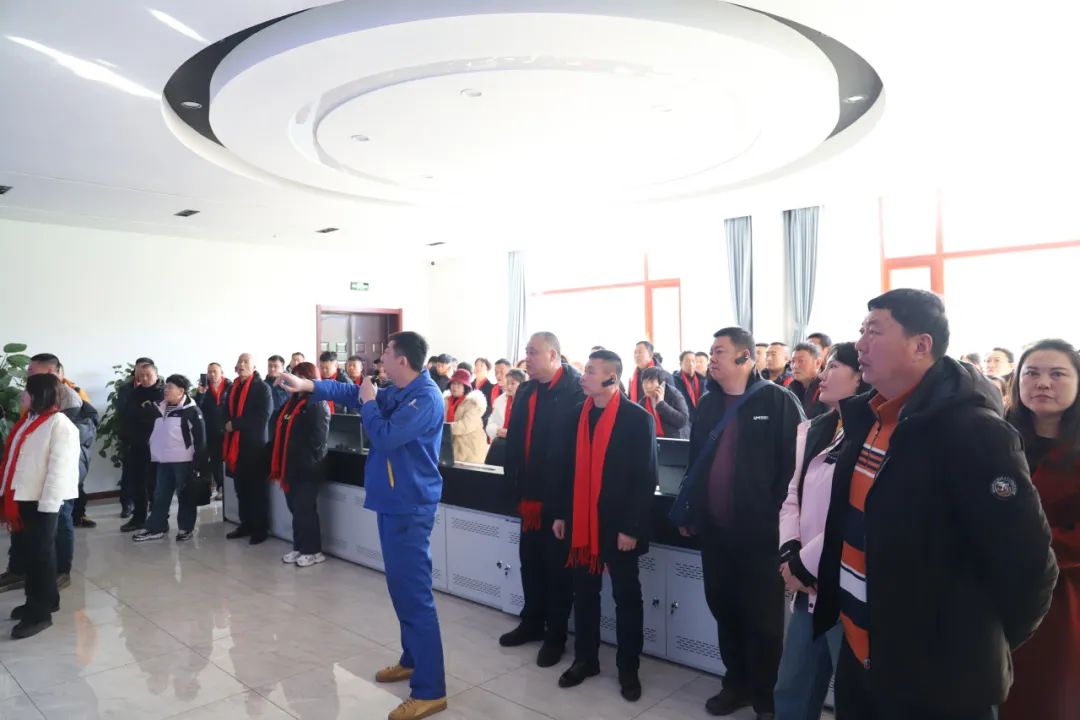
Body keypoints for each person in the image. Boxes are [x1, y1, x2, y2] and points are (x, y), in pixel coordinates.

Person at [814, 289, 1057, 719]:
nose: (860, 344)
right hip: (861, 654)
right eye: (861, 331)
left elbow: (1029, 565)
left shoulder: (973, 432)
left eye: (875, 331)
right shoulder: (869, 418)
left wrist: (977, 643)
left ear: (921, 345)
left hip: (938, 678)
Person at [279, 331, 449, 720]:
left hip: (409, 507)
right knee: (401, 590)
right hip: (393, 502)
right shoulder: (401, 391)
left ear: (402, 360)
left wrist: (370, 402)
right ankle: (412, 659)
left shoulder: (425, 397)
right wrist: (308, 385)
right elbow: (350, 392)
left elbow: (384, 436)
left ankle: (431, 691)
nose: (380, 359)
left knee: (415, 596)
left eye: (386, 353)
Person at [679, 327, 804, 719]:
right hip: (716, 534)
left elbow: (795, 469)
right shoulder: (708, 403)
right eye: (711, 350)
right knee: (725, 609)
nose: (711, 357)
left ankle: (766, 696)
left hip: (762, 538)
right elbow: (696, 461)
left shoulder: (777, 401)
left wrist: (779, 524)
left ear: (745, 356)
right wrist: (692, 512)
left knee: (764, 621)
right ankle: (735, 685)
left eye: (719, 351)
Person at [551, 350, 658, 701]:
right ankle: (586, 660)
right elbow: (565, 470)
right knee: (584, 594)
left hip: (618, 526)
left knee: (627, 599)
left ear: (612, 378)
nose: (583, 376)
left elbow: (645, 479)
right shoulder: (576, 416)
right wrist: (561, 514)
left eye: (592, 371)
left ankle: (629, 669)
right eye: (585, 369)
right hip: (582, 524)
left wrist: (631, 528)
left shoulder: (636, 419)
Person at [774, 343, 868, 720]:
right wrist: (789, 551)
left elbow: (856, 514)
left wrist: (805, 563)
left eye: (834, 367)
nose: (823, 375)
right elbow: (792, 494)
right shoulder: (816, 428)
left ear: (860, 377)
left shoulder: (873, 434)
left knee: (853, 695)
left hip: (844, 583)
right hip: (807, 584)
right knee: (792, 686)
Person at [1000, 339, 1080, 720]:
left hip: (1061, 596)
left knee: (1046, 698)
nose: (1043, 383)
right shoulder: (997, 440)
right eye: (1031, 373)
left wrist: (1026, 550)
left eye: (1057, 374)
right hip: (990, 594)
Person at [500, 332, 584, 668]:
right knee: (530, 563)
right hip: (529, 497)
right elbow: (515, 441)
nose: (527, 358)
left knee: (558, 572)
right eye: (526, 351)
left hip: (560, 500)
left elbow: (576, 453)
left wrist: (564, 507)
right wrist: (512, 486)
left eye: (533, 352)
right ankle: (532, 622)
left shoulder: (576, 390)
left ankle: (556, 636)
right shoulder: (527, 390)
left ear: (553, 355)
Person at [0, 373, 79, 638]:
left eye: (27, 390)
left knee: (40, 557)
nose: (22, 395)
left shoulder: (60, 424)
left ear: (39, 394)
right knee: (33, 555)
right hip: (23, 498)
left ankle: (39, 614)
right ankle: (46, 600)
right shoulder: (31, 420)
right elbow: (15, 459)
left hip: (42, 502)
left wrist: (48, 506)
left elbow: (59, 471)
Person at [269, 362, 330, 569]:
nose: (294, 381)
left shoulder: (317, 404)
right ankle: (300, 546)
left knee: (305, 510)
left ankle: (313, 551)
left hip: (307, 469)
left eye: (299, 377)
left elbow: (318, 441)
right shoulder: (291, 403)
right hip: (290, 466)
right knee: (295, 509)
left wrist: (303, 462)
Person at [134, 375, 207, 543]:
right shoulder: (159, 408)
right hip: (163, 460)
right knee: (160, 494)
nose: (165, 390)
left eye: (170, 388)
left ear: (181, 391)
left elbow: (201, 439)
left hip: (184, 460)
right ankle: (155, 528)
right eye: (165, 387)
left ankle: (185, 528)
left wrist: (199, 463)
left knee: (185, 495)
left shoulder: (191, 411)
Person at [223, 353, 273, 545]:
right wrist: (225, 423)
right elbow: (225, 410)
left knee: (256, 490)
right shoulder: (233, 387)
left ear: (254, 367)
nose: (242, 365)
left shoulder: (262, 388)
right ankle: (246, 524)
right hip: (236, 446)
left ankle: (261, 529)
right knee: (241, 489)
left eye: (246, 362)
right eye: (240, 362)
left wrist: (235, 424)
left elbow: (263, 416)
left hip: (255, 447)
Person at [119, 362, 165, 533]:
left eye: (148, 375)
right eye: (141, 376)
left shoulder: (163, 393)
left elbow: (158, 416)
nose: (144, 379)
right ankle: (138, 518)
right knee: (137, 483)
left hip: (158, 446)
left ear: (156, 376)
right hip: (137, 444)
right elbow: (127, 416)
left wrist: (143, 414)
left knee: (156, 484)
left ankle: (160, 520)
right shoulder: (134, 393)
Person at [55, 361, 99, 529]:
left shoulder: (76, 392)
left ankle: (79, 515)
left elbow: (87, 419)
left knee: (77, 483)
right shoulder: (37, 393)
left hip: (74, 444)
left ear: (61, 373)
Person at [115, 356, 154, 519]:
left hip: (152, 441)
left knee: (150, 476)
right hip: (131, 438)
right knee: (130, 475)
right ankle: (127, 506)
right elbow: (123, 411)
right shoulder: (126, 389)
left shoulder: (160, 389)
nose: (143, 375)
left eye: (146, 371)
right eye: (139, 371)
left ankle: (151, 508)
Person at [196, 362, 230, 500]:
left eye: (215, 371)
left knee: (228, 459)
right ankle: (220, 487)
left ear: (222, 373)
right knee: (215, 460)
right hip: (210, 430)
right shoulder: (204, 388)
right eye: (209, 371)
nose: (212, 374)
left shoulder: (230, 386)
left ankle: (229, 486)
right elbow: (197, 409)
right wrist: (200, 394)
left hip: (228, 428)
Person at [444, 369, 488, 464]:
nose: (455, 387)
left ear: (466, 387)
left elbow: (465, 426)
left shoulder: (473, 403)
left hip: (469, 449)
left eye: (459, 384)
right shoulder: (446, 401)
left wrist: (443, 427)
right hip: (450, 446)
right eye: (453, 383)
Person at [485, 368, 526, 465]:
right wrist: (497, 430)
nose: (509, 386)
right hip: (500, 445)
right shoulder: (500, 400)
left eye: (513, 383)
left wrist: (511, 433)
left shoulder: (527, 402)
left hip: (519, 447)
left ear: (522, 384)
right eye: (507, 383)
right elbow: (490, 423)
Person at [639, 366, 690, 439]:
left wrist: (661, 405)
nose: (647, 386)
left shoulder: (674, 394)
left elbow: (682, 421)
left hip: (675, 441)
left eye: (651, 382)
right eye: (645, 382)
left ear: (661, 383)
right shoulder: (643, 402)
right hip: (654, 440)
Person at [790, 342, 827, 417]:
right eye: (793, 361)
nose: (795, 366)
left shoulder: (827, 389)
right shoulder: (790, 388)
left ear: (818, 363)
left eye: (801, 361)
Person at [472, 358, 496, 425]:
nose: (478, 367)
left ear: (488, 370)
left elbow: (490, 408)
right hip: (467, 421)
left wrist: (477, 419)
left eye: (481, 365)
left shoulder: (491, 387)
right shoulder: (469, 385)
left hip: (481, 422)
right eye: (476, 365)